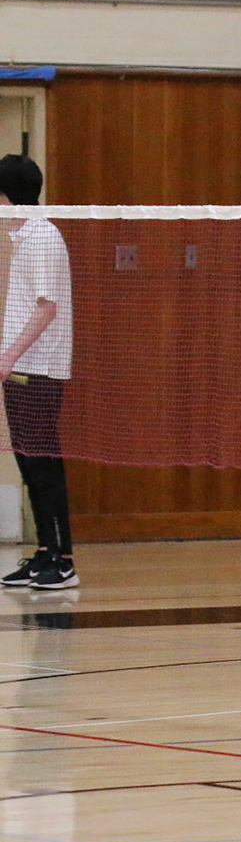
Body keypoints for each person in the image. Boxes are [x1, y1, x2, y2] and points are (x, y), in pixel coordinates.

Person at [0, 154, 77, 591]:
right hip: (19, 368)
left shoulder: (43, 236)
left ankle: (63, 560)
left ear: (7, 195)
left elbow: (48, 308)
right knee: (27, 461)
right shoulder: (23, 236)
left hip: (39, 369)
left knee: (44, 463)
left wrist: (9, 355)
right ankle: (45, 552)